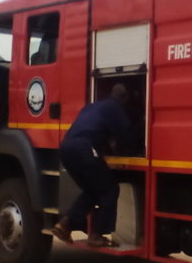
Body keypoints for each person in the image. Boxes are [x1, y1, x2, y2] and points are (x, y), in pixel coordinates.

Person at [51, 84, 132, 248]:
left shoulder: (93, 106)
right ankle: (97, 235)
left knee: (93, 190)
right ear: (124, 99)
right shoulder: (116, 108)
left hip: (66, 149)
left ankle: (64, 225)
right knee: (110, 190)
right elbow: (124, 135)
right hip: (84, 149)